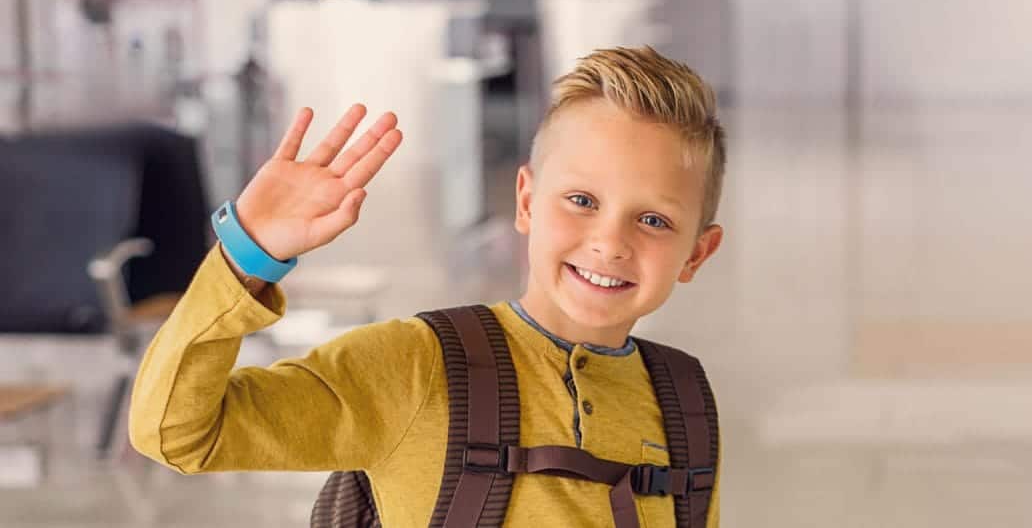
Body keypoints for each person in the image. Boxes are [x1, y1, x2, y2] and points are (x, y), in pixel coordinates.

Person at [128, 46, 727, 527]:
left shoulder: (684, 404)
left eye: (654, 220)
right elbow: (177, 433)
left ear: (696, 252)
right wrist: (245, 256)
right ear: (525, 200)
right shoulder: (416, 367)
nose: (610, 241)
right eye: (581, 200)